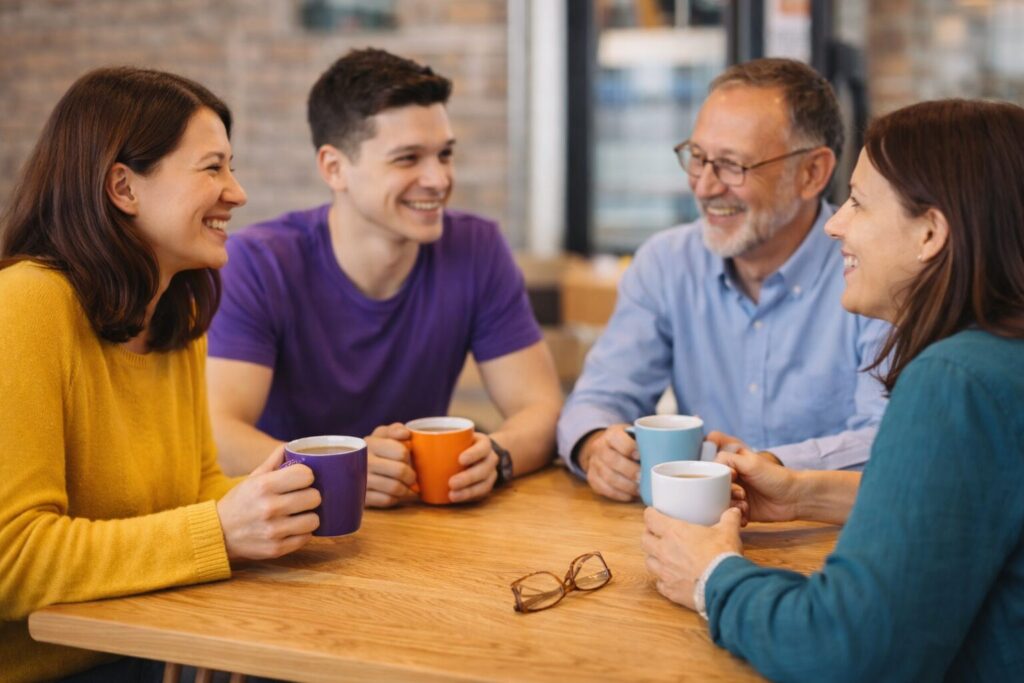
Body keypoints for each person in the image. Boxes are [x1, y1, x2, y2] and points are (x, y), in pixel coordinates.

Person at [642, 99, 1024, 680]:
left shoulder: (955, 380)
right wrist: (804, 495)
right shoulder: (1002, 361)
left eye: (858, 202)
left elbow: (849, 650)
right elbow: (972, 509)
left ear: (929, 233)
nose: (834, 223)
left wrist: (711, 573)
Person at [0, 67, 323, 682]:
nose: (237, 192)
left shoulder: (176, 314)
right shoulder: (23, 306)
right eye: (212, 168)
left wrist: (295, 496)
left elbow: (193, 489)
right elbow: (13, 560)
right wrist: (220, 531)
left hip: (160, 640)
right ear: (123, 187)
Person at [206, 48, 562, 507]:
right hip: (293, 527)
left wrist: (496, 454)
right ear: (335, 168)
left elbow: (541, 408)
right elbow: (218, 433)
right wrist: (340, 467)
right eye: (408, 158)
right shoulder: (258, 262)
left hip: (422, 522)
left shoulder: (478, 248)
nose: (438, 179)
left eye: (445, 155)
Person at [557, 58, 890, 502]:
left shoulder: (877, 269)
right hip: (694, 530)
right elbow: (599, 396)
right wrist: (596, 444)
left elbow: (892, 439)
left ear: (812, 173)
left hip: (834, 537)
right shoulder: (665, 262)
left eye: (733, 165)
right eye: (697, 158)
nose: (704, 186)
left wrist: (772, 470)